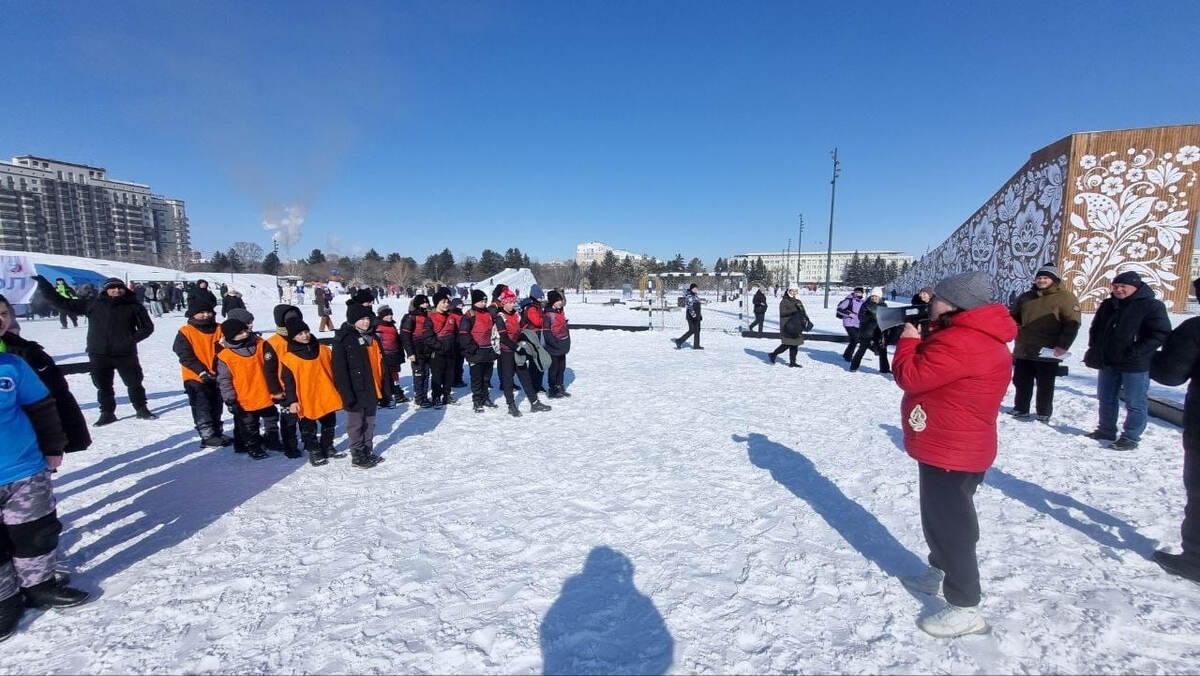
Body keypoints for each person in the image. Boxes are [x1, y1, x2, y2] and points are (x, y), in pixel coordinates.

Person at [892, 270, 1017, 638]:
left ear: (955, 304)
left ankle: (965, 606)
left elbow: (911, 376)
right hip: (953, 442)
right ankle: (939, 571)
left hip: (953, 448)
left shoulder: (963, 341)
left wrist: (908, 341)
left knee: (952, 526)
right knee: (939, 517)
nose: (930, 303)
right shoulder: (971, 335)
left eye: (938, 298)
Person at [0, 351, 91, 642]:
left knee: (36, 532)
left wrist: (54, 447)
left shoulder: (12, 366)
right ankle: (5, 601)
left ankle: (38, 585)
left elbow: (41, 407)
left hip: (24, 467)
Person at [33, 275, 156, 426]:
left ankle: (141, 408)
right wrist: (44, 284)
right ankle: (107, 412)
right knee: (103, 385)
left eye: (119, 287)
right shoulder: (93, 305)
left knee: (134, 382)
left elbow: (147, 327)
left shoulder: (134, 306)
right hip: (99, 353)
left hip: (125, 353)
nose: (116, 290)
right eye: (112, 288)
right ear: (106, 290)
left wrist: (130, 340)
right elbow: (62, 302)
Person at [1083, 270, 1172, 450]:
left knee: (1135, 401)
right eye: (1115, 286)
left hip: (1135, 363)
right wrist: (1096, 346)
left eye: (1123, 286)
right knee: (1106, 397)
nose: (1119, 290)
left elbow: (1159, 334)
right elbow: (1096, 327)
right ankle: (1106, 429)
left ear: (1136, 287)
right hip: (1108, 360)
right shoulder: (1109, 304)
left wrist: (1135, 351)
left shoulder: (1151, 306)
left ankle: (1131, 437)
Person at [0, 294, 91, 454]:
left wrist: (65, 439)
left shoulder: (27, 352)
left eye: (4, 314)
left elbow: (55, 394)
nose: (0, 320)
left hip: (24, 444)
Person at [1008, 264, 1081, 423]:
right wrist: (1014, 324)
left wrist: (1063, 345)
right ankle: (1021, 408)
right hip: (1025, 347)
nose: (1041, 280)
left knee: (1045, 383)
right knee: (1021, 380)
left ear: (1054, 280)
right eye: (1039, 277)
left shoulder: (1065, 297)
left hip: (1048, 348)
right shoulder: (1027, 296)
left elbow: (1072, 323)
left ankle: (1043, 411)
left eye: (1045, 278)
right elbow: (1013, 315)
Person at [279, 316, 346, 467]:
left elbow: (335, 370)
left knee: (329, 422)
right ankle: (314, 450)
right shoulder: (289, 358)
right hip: (306, 396)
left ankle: (327, 446)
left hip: (326, 392)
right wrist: (292, 401)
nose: (305, 336)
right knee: (308, 426)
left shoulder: (323, 349)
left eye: (306, 331)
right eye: (300, 334)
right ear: (293, 337)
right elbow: (288, 382)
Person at [216, 318, 285, 460]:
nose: (245, 334)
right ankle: (253, 446)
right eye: (239, 333)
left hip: (264, 393)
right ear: (230, 336)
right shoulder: (225, 356)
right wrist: (230, 399)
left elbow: (272, 366)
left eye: (245, 330)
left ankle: (272, 441)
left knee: (271, 419)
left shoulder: (260, 344)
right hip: (244, 398)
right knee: (249, 425)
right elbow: (224, 380)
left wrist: (277, 389)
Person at [331, 304, 389, 468]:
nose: (366, 322)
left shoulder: (373, 337)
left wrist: (386, 388)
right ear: (353, 320)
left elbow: (381, 364)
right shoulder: (344, 339)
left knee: (370, 422)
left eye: (368, 319)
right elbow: (339, 370)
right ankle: (357, 453)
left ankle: (367, 450)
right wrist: (346, 393)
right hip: (355, 389)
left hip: (372, 386)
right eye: (362, 319)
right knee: (356, 423)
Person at [172, 295, 232, 448]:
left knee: (216, 403)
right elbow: (184, 355)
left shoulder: (220, 328)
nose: (206, 315)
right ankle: (207, 435)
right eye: (201, 312)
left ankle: (217, 431)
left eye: (209, 312)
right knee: (201, 405)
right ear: (193, 314)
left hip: (217, 374)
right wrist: (201, 371)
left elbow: (226, 349)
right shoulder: (186, 331)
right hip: (195, 376)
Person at [494, 288, 551, 417]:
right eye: (509, 302)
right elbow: (504, 338)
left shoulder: (516, 314)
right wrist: (518, 348)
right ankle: (511, 405)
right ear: (503, 303)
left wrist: (527, 341)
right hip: (507, 351)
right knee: (508, 379)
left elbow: (521, 331)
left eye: (513, 301)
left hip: (517, 349)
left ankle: (535, 402)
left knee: (525, 376)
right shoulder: (500, 317)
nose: (512, 304)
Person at [263, 305, 303, 457]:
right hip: (285, 388)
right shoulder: (273, 343)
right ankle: (290, 445)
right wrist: (275, 390)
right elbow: (269, 370)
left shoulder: (301, 335)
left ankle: (308, 440)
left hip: (302, 384)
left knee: (305, 416)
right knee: (289, 419)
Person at [458, 290, 499, 412]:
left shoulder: (489, 313)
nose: (484, 303)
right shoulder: (470, 315)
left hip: (489, 350)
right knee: (477, 378)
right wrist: (472, 348)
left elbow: (495, 330)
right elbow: (464, 334)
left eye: (485, 301)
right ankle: (477, 400)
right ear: (475, 301)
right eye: (482, 301)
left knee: (486, 377)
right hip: (476, 351)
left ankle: (485, 397)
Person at [400, 294, 435, 408]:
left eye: (426, 302)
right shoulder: (411, 317)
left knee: (426, 374)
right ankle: (419, 398)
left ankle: (424, 396)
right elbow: (405, 336)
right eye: (423, 303)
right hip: (416, 350)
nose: (426, 305)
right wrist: (410, 352)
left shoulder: (427, 316)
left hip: (426, 350)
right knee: (419, 374)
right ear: (417, 304)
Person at [428, 290, 460, 408]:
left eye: (447, 302)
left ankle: (446, 395)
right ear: (437, 303)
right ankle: (436, 397)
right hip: (437, 353)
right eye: (443, 302)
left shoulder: (451, 317)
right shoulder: (431, 318)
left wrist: (455, 345)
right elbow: (428, 337)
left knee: (449, 375)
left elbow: (456, 333)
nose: (446, 304)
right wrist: (440, 347)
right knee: (437, 376)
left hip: (451, 352)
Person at [849, 287, 890, 374]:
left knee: (883, 350)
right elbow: (861, 317)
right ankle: (853, 366)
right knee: (862, 349)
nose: (874, 298)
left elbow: (886, 318)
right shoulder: (866, 304)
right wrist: (870, 318)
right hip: (866, 331)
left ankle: (885, 369)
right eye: (872, 296)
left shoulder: (884, 306)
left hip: (879, 331)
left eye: (876, 296)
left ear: (880, 297)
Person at [374, 305, 408, 405]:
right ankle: (386, 396)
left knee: (395, 375)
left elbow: (397, 340)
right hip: (385, 355)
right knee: (386, 377)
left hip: (394, 354)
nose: (390, 317)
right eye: (387, 315)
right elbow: (377, 343)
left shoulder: (392, 325)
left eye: (391, 314)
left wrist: (400, 353)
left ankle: (397, 393)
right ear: (382, 316)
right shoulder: (378, 327)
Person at [767, 285, 807, 367]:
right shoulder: (784, 301)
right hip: (787, 326)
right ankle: (773, 354)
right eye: (792, 291)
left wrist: (804, 318)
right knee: (787, 344)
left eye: (796, 291)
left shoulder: (798, 301)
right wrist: (795, 310)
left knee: (795, 344)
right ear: (788, 291)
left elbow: (802, 312)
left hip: (797, 325)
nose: (794, 292)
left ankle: (792, 362)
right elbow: (783, 312)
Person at [543, 290, 572, 398]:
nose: (560, 302)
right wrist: (554, 343)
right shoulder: (548, 314)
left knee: (562, 367)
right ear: (552, 302)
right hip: (554, 346)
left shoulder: (560, 311)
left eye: (560, 300)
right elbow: (546, 332)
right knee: (553, 368)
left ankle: (560, 386)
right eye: (558, 300)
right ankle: (552, 388)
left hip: (562, 344)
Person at [520, 284, 548, 394]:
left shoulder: (538, 306)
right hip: (532, 336)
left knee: (539, 360)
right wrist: (546, 319)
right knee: (534, 360)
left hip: (538, 335)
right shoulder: (531, 307)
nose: (542, 299)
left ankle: (538, 384)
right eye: (540, 297)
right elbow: (537, 321)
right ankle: (533, 384)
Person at [836, 287, 865, 361]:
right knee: (855, 339)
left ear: (862, 293)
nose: (857, 293)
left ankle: (846, 354)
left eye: (859, 292)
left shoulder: (863, 302)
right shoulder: (849, 300)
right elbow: (839, 309)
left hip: (858, 323)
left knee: (853, 340)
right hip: (848, 323)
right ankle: (849, 357)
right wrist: (849, 314)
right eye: (856, 292)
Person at [672, 284, 703, 350]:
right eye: (694, 288)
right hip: (691, 316)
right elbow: (690, 307)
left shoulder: (695, 295)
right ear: (691, 289)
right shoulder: (689, 296)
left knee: (697, 330)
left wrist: (699, 315)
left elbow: (698, 307)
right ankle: (679, 341)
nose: (696, 290)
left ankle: (696, 345)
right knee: (692, 330)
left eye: (696, 288)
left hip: (696, 315)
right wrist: (694, 316)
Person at [450, 298, 468, 388]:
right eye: (459, 305)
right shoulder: (453, 315)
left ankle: (458, 379)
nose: (461, 306)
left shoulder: (461, 315)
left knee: (459, 362)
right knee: (456, 363)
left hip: (461, 341)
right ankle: (455, 380)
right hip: (455, 342)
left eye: (461, 305)